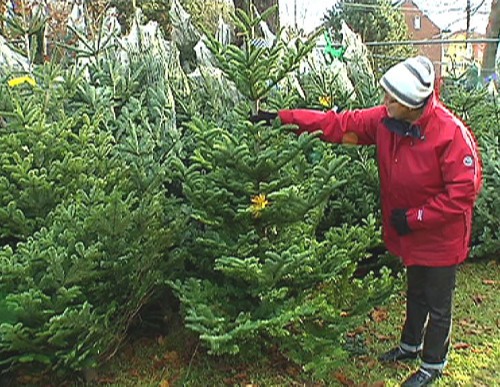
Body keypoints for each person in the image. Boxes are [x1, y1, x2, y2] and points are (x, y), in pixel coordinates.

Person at [251, 56, 482, 386]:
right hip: (410, 231)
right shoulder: (386, 121)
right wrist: (282, 119)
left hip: (440, 237)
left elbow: (463, 193)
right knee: (416, 291)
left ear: (412, 104)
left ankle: (433, 364)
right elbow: (338, 125)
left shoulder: (451, 135)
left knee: (438, 302)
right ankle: (409, 345)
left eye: (392, 99)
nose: (384, 102)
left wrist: (416, 217)